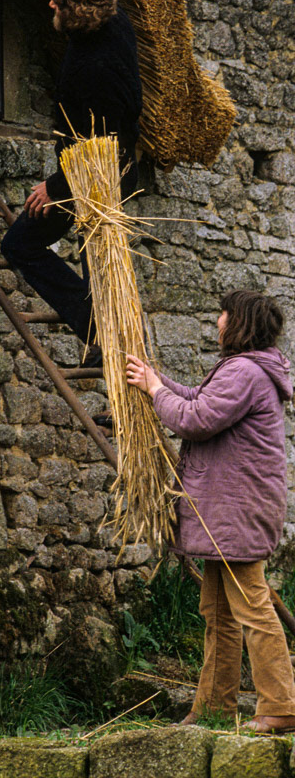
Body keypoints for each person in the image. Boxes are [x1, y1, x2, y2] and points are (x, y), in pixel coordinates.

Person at [125, 290, 295, 733]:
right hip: (233, 509)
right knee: (219, 613)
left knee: (253, 607)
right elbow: (200, 400)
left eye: (223, 313)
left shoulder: (243, 371)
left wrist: (155, 388)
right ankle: (214, 707)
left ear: (238, 322)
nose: (217, 321)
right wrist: (153, 380)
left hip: (236, 511)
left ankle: (281, 705)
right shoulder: (246, 371)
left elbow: (195, 420)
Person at [0, 0, 142, 365]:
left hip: (99, 175)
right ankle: (99, 331)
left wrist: (55, 186)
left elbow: (101, 143)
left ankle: (98, 330)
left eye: (57, 3)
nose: (50, 6)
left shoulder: (97, 68)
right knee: (94, 265)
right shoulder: (113, 17)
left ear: (75, 11)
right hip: (92, 167)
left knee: (22, 245)